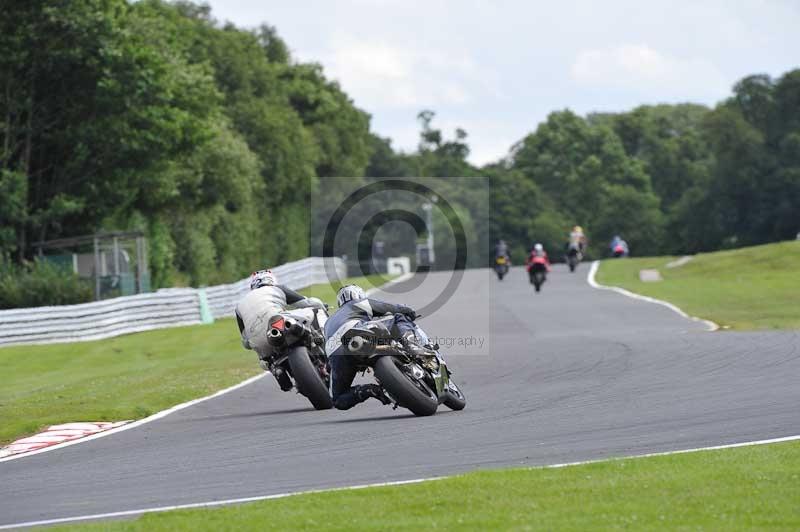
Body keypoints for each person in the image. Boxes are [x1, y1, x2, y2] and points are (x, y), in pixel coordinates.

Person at [324, 284, 431, 410]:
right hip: (357, 332)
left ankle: (369, 390)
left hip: (335, 354)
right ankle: (412, 346)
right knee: (398, 317)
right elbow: (390, 308)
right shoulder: (358, 303)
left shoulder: (328, 322)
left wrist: (329, 369)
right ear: (359, 294)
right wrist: (409, 312)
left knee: (338, 399)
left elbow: (328, 360)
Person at [235, 269, 325, 391]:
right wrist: (321, 306)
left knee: (266, 361)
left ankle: (277, 371)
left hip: (260, 344)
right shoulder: (277, 288)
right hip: (279, 324)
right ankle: (322, 342)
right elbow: (308, 303)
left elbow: (245, 342)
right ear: (271, 280)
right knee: (313, 311)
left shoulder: (239, 306)